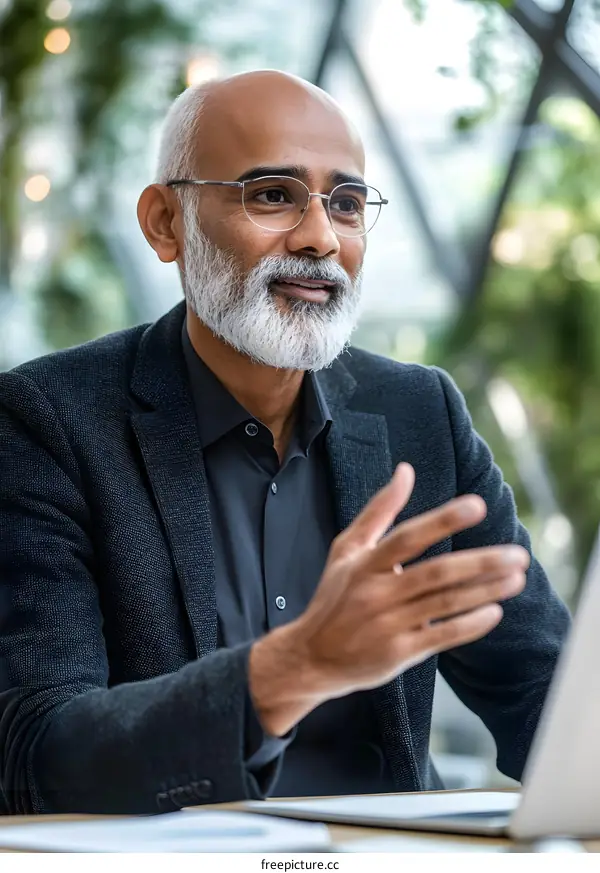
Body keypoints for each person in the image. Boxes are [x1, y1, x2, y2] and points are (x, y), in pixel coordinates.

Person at [0, 70, 569, 815]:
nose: (321, 238)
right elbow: (34, 752)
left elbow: (548, 696)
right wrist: (294, 667)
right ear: (166, 222)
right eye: (272, 194)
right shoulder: (48, 420)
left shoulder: (419, 413)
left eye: (347, 203)